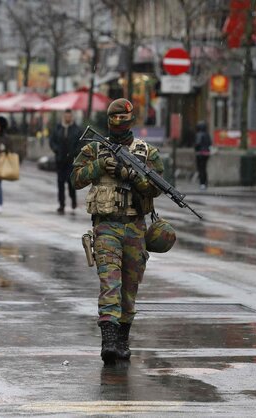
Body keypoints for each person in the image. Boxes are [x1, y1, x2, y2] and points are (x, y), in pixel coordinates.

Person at [72, 98, 164, 365]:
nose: (119, 124)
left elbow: (157, 187)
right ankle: (109, 341)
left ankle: (123, 338)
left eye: (123, 120)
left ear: (131, 120)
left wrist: (131, 175)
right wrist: (100, 166)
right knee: (109, 283)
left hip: (135, 226)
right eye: (114, 119)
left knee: (130, 287)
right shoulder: (94, 149)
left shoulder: (147, 153)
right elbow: (76, 179)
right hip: (106, 226)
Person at [49, 109, 83, 213]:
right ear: (64, 116)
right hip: (60, 160)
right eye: (66, 116)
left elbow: (80, 143)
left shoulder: (77, 129)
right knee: (60, 182)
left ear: (71, 117)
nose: (67, 118)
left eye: (69, 116)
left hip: (71, 161)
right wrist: (56, 150)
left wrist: (75, 153)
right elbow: (52, 141)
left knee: (70, 182)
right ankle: (61, 204)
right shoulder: (58, 128)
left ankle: (73, 200)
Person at [194, 121, 212, 190]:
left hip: (200, 154)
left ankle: (202, 183)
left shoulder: (199, 134)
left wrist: (196, 149)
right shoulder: (207, 134)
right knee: (204, 169)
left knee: (201, 169)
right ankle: (205, 183)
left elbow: (197, 144)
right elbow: (210, 143)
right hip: (206, 153)